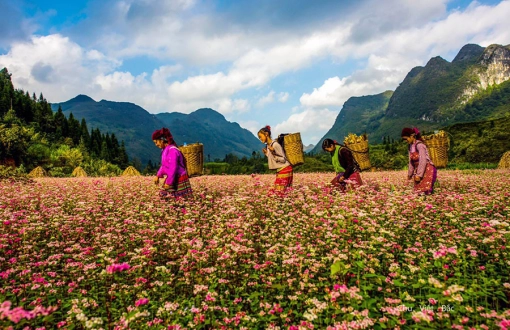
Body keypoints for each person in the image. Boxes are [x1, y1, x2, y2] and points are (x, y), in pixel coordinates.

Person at [152, 128, 193, 198]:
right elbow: (164, 165)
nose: (156, 145)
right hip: (172, 177)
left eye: (156, 142)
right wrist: (158, 175)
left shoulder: (173, 150)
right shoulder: (165, 150)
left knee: (180, 200)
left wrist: (169, 182)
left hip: (179, 178)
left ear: (162, 140)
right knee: (167, 199)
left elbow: (173, 167)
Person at [401, 127, 437, 195]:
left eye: (406, 139)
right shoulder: (410, 146)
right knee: (418, 191)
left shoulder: (420, 145)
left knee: (425, 190)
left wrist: (419, 175)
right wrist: (410, 174)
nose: (406, 141)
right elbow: (411, 161)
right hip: (419, 170)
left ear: (412, 136)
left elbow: (423, 160)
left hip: (427, 169)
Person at [257, 125, 293, 191]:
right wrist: (267, 154)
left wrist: (273, 153)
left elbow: (283, 159)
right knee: (282, 192)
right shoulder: (268, 146)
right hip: (280, 170)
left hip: (285, 169)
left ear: (266, 134)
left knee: (280, 192)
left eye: (260, 137)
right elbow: (273, 158)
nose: (260, 139)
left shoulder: (275, 144)